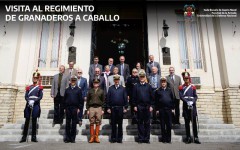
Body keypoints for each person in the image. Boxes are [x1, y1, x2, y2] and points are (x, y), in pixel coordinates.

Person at [20, 70, 43, 143]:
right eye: (34, 78)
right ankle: (24, 136)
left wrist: (34, 101)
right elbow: (26, 96)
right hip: (28, 104)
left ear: (38, 79)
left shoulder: (40, 88)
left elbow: (40, 96)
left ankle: (34, 136)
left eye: (36, 78)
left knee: (34, 120)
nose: (35, 79)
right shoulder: (28, 87)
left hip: (35, 105)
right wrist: (28, 101)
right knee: (27, 120)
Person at [179, 70, 201, 144]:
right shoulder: (181, 87)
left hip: (193, 106)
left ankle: (196, 137)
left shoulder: (193, 87)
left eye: (187, 78)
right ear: (183, 79)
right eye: (185, 78)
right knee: (187, 123)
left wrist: (193, 101)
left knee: (194, 123)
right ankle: (188, 137)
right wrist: (186, 101)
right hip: (186, 106)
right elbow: (181, 96)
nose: (186, 79)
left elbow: (195, 96)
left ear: (189, 78)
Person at [132, 70, 154, 144]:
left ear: (145, 77)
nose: (142, 78)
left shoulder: (149, 86)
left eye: (143, 77)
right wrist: (134, 105)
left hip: (147, 106)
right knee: (140, 123)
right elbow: (133, 97)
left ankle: (147, 138)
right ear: (139, 77)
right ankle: (141, 138)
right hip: (139, 106)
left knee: (147, 123)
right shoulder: (136, 86)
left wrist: (151, 106)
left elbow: (152, 97)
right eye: (140, 77)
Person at [107, 75, 128, 143]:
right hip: (113, 108)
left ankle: (119, 138)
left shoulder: (123, 88)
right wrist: (108, 108)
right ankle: (113, 138)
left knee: (120, 124)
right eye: (115, 80)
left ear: (119, 80)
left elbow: (125, 98)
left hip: (120, 108)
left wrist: (125, 107)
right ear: (114, 81)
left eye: (117, 80)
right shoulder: (110, 88)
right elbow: (108, 99)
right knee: (113, 124)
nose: (116, 81)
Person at [63, 75, 84, 143]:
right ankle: (67, 138)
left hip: (75, 108)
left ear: (76, 81)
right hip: (68, 108)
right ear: (70, 81)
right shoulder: (67, 90)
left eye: (74, 80)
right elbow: (64, 100)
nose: (73, 82)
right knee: (68, 123)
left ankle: (72, 138)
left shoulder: (78, 89)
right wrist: (64, 108)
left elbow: (81, 100)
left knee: (74, 123)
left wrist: (79, 108)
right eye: (72, 80)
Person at [155, 77, 174, 143]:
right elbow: (156, 101)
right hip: (161, 109)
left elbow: (172, 100)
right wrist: (157, 109)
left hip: (168, 109)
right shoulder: (158, 91)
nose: (163, 83)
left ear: (166, 83)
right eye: (162, 82)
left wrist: (172, 108)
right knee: (162, 125)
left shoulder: (169, 90)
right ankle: (164, 139)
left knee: (169, 125)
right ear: (160, 83)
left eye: (164, 82)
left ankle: (169, 139)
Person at [86, 78, 105, 143]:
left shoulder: (101, 91)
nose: (95, 84)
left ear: (98, 84)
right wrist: (87, 109)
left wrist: (103, 109)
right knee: (91, 122)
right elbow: (87, 100)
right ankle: (92, 137)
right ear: (93, 83)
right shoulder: (90, 91)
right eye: (94, 83)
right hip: (91, 108)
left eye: (97, 83)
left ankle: (96, 137)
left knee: (98, 122)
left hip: (99, 107)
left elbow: (103, 100)